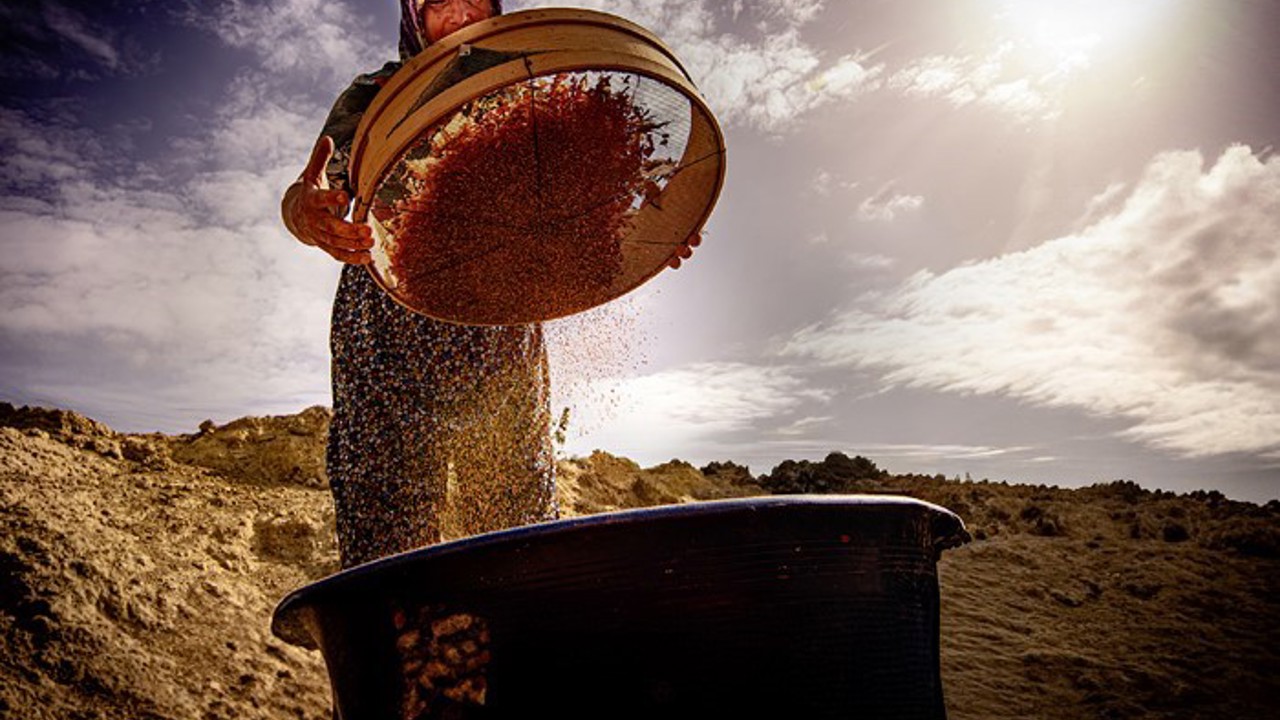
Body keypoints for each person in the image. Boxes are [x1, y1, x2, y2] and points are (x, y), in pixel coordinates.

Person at [281, 0, 696, 568]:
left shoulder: (533, 76)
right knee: (387, 510)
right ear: (411, 17)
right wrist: (308, 212)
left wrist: (648, 231)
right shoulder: (379, 92)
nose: (456, 10)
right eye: (435, 1)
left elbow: (589, 194)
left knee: (516, 511)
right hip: (385, 328)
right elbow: (316, 184)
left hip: (502, 321)